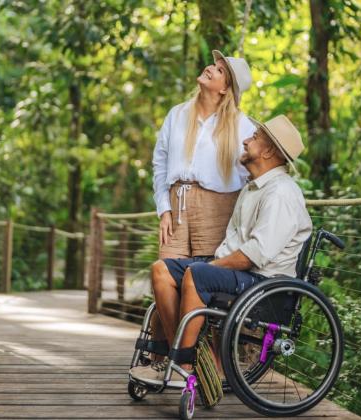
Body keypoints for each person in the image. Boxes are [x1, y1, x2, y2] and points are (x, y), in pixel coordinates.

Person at [132, 115, 313, 384]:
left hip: (262, 282)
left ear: (268, 150)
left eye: (254, 137)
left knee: (198, 274)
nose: (245, 139)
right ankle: (185, 359)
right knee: (161, 271)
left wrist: (209, 267)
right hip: (240, 273)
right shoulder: (253, 188)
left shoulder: (281, 193)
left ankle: (183, 365)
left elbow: (256, 254)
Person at [144, 50, 256, 363]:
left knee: (206, 284)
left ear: (225, 88)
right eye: (214, 64)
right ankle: (182, 357)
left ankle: (211, 361)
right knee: (166, 276)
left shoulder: (243, 126)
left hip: (220, 210)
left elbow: (253, 173)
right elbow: (160, 164)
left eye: (219, 70)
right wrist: (163, 208)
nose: (211, 68)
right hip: (177, 208)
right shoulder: (177, 114)